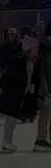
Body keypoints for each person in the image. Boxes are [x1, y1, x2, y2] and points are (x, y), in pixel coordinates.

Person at [0, 28, 34, 153]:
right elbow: (8, 70)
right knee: (11, 116)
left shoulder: (27, 62)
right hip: (14, 90)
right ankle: (7, 141)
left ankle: (8, 141)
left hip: (18, 90)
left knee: (12, 116)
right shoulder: (18, 61)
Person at [34, 21, 51, 152]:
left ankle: (43, 138)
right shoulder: (43, 51)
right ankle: (41, 139)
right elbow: (41, 72)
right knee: (45, 114)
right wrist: (44, 89)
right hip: (45, 89)